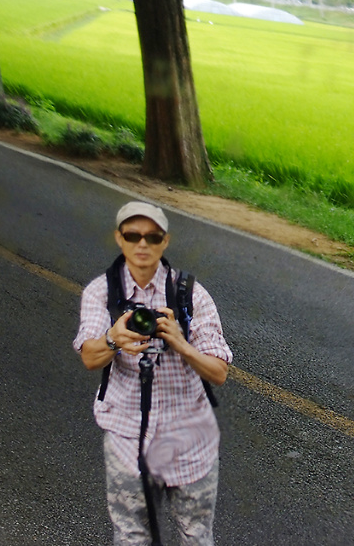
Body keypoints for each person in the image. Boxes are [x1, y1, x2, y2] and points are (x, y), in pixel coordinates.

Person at [74, 201, 232, 546]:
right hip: (127, 436)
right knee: (131, 537)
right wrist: (114, 338)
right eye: (133, 235)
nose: (141, 244)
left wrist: (181, 343)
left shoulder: (190, 294)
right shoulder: (101, 293)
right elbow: (89, 357)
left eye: (152, 236)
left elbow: (219, 372)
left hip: (190, 440)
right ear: (120, 239)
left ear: (165, 241)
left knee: (196, 537)